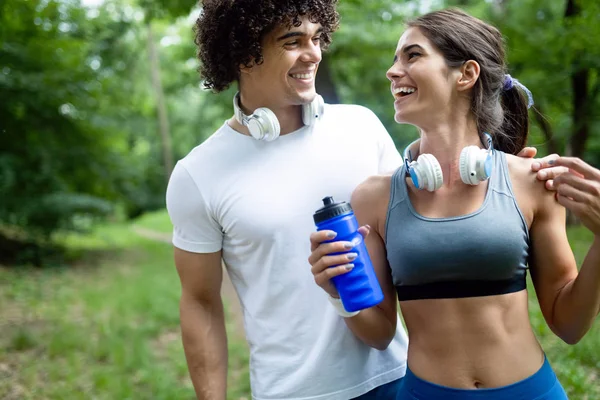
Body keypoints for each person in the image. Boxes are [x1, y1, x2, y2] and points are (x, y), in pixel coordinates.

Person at [167, 2, 560, 399]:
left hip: (397, 378)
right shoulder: (198, 174)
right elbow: (200, 304)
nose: (315, 53)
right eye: (293, 41)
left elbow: (426, 208)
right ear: (243, 50)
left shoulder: (361, 126)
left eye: (318, 38)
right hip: (293, 391)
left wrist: (506, 171)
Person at [309, 8, 600, 400]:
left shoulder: (531, 182)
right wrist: (337, 291)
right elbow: (378, 334)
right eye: (394, 59)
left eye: (412, 55)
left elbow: (569, 325)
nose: (392, 71)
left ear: (466, 74)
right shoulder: (374, 197)